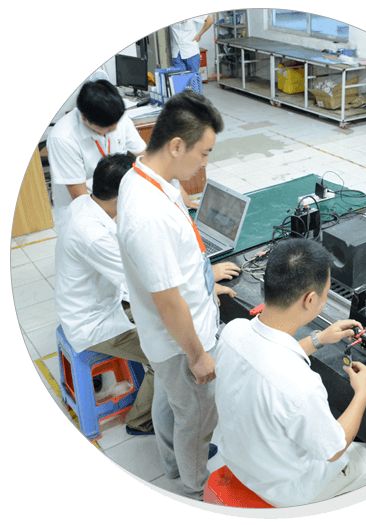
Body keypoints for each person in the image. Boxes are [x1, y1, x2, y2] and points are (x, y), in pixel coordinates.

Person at [214, 238, 366, 508]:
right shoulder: (301, 385)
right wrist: (362, 392)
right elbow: (334, 448)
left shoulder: (234, 331)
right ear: (310, 299)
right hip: (287, 490)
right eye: (326, 292)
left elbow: (266, 359)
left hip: (240, 461)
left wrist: (319, 338)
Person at [116, 90, 234, 501]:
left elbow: (172, 269)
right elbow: (168, 302)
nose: (204, 164)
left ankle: (173, 464)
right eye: (204, 153)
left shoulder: (145, 177)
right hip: (182, 342)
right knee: (197, 418)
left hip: (168, 340)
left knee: (170, 403)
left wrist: (205, 279)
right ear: (177, 145)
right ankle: (195, 485)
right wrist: (198, 355)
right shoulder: (148, 215)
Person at [54, 153, 155, 435]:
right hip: (93, 323)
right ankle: (140, 422)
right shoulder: (93, 234)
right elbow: (144, 282)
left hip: (94, 302)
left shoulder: (83, 204)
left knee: (158, 319)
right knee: (166, 356)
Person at [47, 80, 147, 233]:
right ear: (85, 119)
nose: (114, 129)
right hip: (84, 213)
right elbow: (80, 196)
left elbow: (146, 156)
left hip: (115, 202)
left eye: (116, 123)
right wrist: (118, 222)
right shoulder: (63, 138)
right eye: (107, 128)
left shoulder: (116, 118)